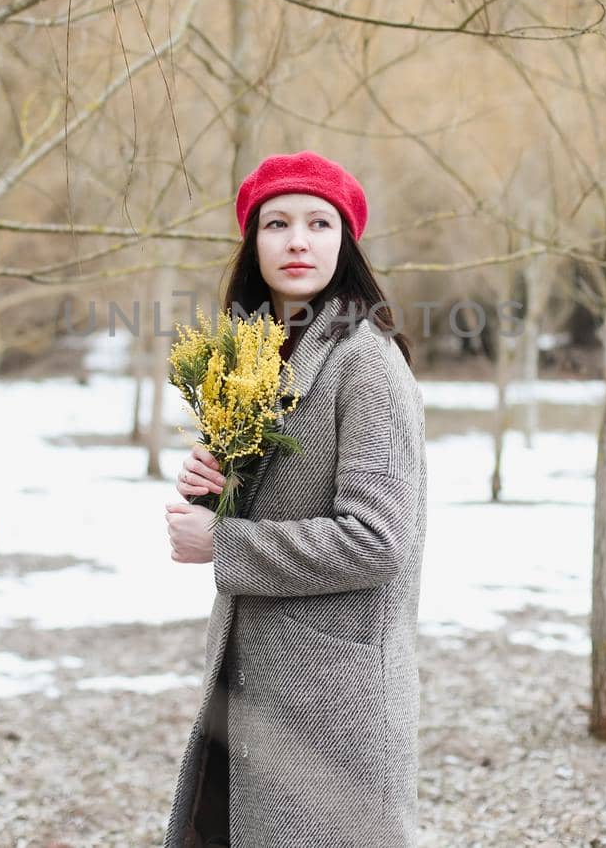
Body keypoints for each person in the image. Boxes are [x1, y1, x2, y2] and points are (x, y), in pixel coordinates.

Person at [162, 150, 429, 848]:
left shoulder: (364, 360)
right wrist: (225, 491)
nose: (298, 240)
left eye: (319, 221)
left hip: (330, 703)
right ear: (254, 241)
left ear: (346, 240)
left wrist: (221, 544)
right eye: (277, 223)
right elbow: (293, 495)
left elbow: (375, 540)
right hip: (253, 684)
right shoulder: (264, 354)